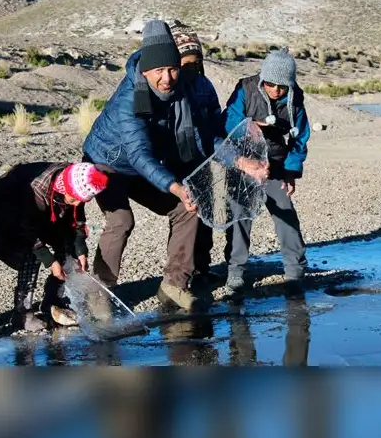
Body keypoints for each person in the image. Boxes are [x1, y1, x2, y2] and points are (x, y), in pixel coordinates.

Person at [82, 20, 268, 312]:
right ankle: (100, 293)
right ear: (146, 70)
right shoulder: (129, 99)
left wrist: (241, 161)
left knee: (187, 208)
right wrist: (174, 186)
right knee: (121, 221)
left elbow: (202, 138)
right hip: (108, 164)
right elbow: (139, 154)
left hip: (143, 165)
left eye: (172, 69)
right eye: (159, 70)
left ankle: (173, 285)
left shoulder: (183, 90)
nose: (167, 78)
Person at [0, 161, 110, 331]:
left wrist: (80, 250)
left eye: (82, 200)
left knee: (69, 249)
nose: (77, 204)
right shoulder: (35, 190)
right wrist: (50, 261)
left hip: (43, 217)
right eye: (74, 199)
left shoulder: (78, 181)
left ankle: (53, 301)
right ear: (63, 188)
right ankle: (22, 314)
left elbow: (76, 221)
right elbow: (27, 232)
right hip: (4, 223)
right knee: (30, 256)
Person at [222, 48, 311, 293]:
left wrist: (291, 172)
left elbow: (300, 138)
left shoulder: (296, 99)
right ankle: (236, 272)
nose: (275, 90)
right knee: (240, 216)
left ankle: (295, 270)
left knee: (286, 214)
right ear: (263, 79)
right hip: (244, 164)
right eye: (270, 84)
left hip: (276, 165)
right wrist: (249, 126)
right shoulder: (245, 88)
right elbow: (227, 121)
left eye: (282, 86)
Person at [171, 26, 222, 284]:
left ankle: (202, 267)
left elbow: (216, 120)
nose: (191, 67)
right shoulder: (170, 87)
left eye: (196, 62)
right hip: (178, 162)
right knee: (185, 217)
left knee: (205, 216)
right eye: (185, 63)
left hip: (205, 161)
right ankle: (181, 273)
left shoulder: (205, 86)